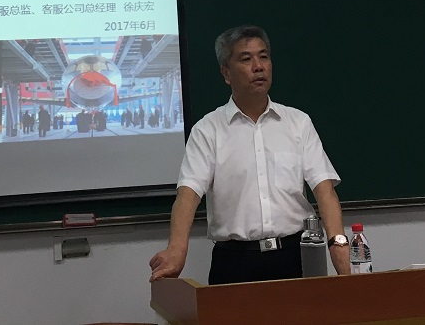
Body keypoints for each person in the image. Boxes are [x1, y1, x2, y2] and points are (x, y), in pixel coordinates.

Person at [148, 25, 349, 285]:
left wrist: (338, 246)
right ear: (226, 74)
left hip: (296, 255)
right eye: (246, 59)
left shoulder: (298, 122)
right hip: (235, 262)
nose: (258, 66)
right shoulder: (208, 130)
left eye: (263, 57)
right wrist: (176, 251)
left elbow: (324, 190)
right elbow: (188, 195)